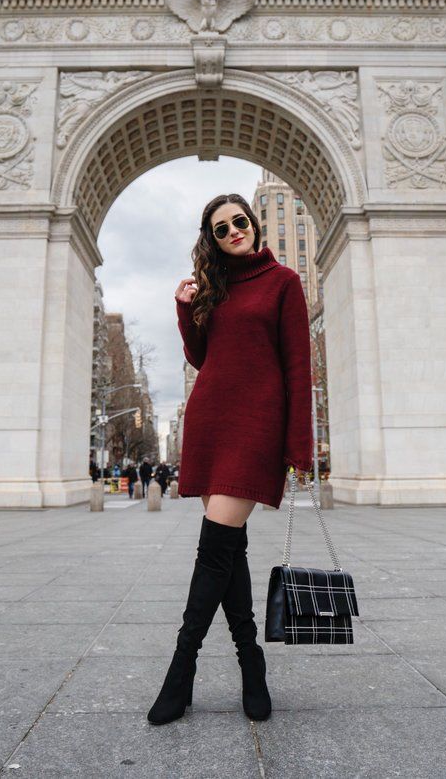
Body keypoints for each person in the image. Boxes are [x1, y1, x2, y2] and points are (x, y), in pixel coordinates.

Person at [147, 193, 312, 726]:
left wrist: (299, 446)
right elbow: (201, 355)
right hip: (214, 420)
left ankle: (181, 670)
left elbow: (297, 365)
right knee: (227, 550)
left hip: (256, 427)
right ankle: (251, 667)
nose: (234, 231)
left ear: (254, 223)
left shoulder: (284, 281)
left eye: (240, 221)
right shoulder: (215, 287)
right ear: (211, 238)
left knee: (215, 547)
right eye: (221, 229)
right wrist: (183, 306)